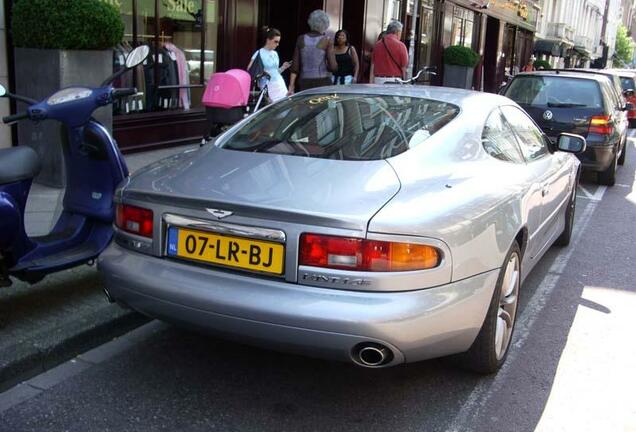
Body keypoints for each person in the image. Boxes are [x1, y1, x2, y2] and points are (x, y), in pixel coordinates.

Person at [288, 10, 337, 93]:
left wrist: (291, 85)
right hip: (323, 81)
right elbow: (333, 67)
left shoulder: (301, 39)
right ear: (325, 24)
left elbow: (295, 67)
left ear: (310, 22)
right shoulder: (327, 40)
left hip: (305, 81)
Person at [247, 27, 292, 102]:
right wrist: (263, 73)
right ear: (268, 40)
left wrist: (283, 67)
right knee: (274, 108)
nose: (277, 44)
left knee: (285, 106)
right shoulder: (259, 53)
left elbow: (275, 72)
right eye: (276, 41)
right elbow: (250, 69)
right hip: (268, 85)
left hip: (280, 83)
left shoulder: (275, 53)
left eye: (278, 42)